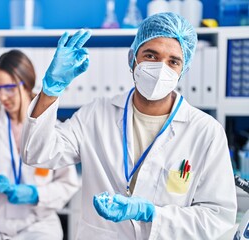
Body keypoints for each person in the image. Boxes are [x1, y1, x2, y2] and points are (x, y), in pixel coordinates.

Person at [20, 13, 237, 239]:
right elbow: (36, 153)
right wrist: (51, 90)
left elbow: (217, 218)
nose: (160, 68)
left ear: (183, 69)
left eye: (173, 61)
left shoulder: (206, 132)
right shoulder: (96, 114)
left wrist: (152, 214)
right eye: (150, 55)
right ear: (133, 58)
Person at [0, 50, 80, 240]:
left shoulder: (52, 128)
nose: (1, 97)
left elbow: (68, 184)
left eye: (9, 88)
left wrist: (36, 194)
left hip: (36, 225)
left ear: (26, 85)